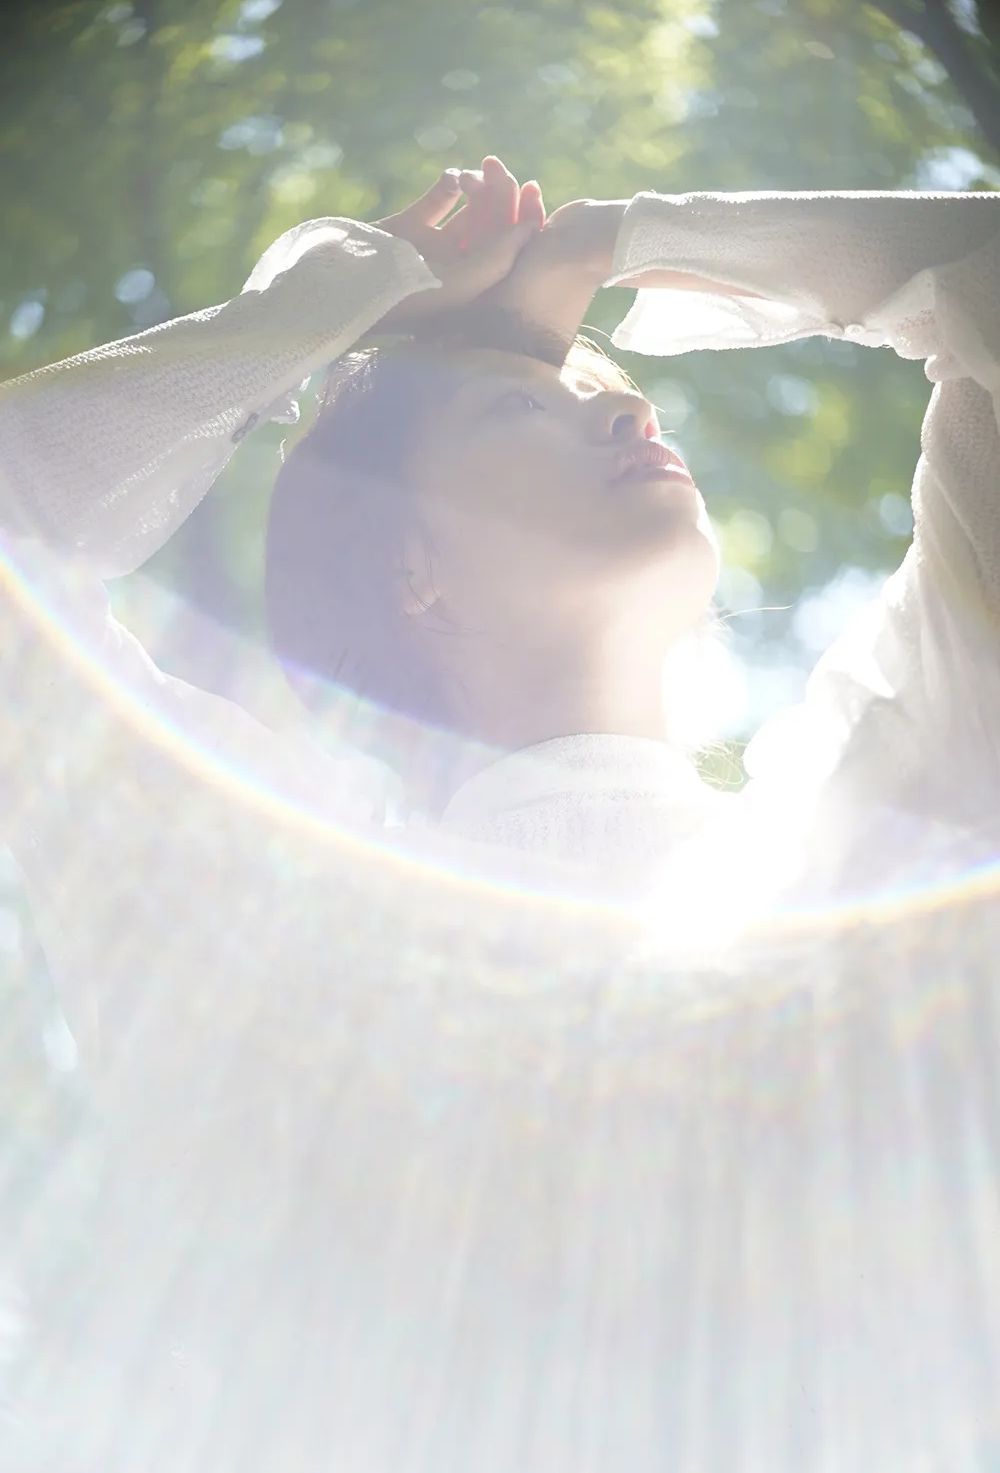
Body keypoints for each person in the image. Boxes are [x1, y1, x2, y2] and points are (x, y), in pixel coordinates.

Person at [1, 158, 999, 1470]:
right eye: (515, 414)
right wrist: (349, 296)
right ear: (409, 561)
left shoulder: (881, 826)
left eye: (611, 391)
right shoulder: (260, 916)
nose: (618, 415)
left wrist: (619, 242)